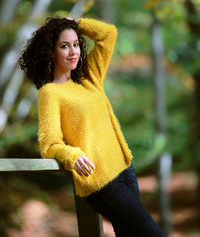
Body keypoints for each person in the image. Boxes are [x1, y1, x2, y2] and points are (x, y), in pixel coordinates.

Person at [18, 16, 164, 237]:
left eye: (76, 44)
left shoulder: (89, 77)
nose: (73, 51)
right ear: (50, 51)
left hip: (126, 170)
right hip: (100, 182)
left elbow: (108, 35)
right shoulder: (50, 93)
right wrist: (72, 155)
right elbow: (50, 144)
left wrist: (75, 22)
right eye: (64, 46)